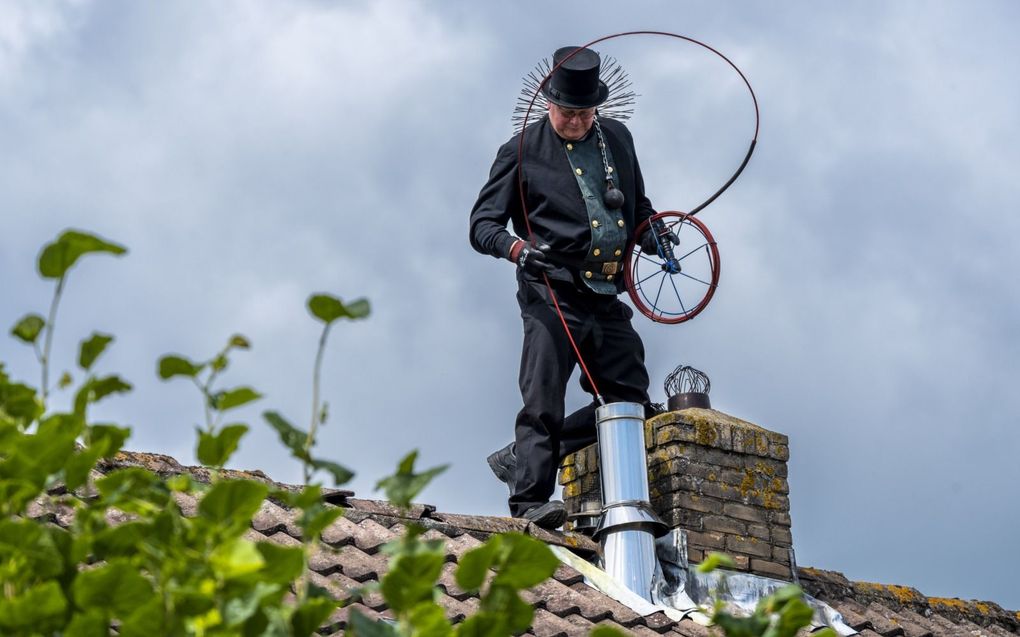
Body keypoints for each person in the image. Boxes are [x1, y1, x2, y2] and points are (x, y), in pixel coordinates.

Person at [469, 46, 671, 530]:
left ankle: (530, 459)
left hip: (604, 295)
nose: (575, 122)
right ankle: (531, 504)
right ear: (548, 104)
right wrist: (517, 250)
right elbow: (482, 225)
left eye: (583, 113)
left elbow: (637, 207)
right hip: (550, 292)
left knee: (630, 404)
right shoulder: (517, 152)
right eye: (566, 113)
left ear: (596, 108)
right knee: (543, 399)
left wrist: (652, 234)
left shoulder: (618, 139)